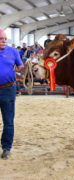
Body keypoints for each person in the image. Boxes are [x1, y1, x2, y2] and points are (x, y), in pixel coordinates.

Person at [0, 29, 24, 159]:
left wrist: (26, 68)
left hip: (8, 89)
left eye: (5, 38)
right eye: (1, 38)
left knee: (8, 121)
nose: (4, 41)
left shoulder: (13, 52)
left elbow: (20, 67)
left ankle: (6, 148)